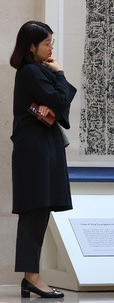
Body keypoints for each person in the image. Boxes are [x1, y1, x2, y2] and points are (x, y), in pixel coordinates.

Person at [10, 20, 77, 300]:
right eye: (47, 43)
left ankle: (32, 277)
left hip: (42, 147)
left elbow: (59, 104)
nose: (51, 48)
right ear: (32, 47)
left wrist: (58, 93)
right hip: (35, 150)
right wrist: (60, 74)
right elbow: (60, 101)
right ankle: (32, 277)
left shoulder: (37, 71)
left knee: (39, 211)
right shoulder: (30, 73)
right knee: (34, 212)